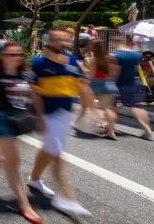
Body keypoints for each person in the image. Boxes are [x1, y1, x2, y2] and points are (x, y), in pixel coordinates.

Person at [0, 42, 43, 224]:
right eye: (10, 54)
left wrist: (41, 119)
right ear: (2, 57)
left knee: (4, 154)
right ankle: (24, 204)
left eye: (18, 54)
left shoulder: (27, 75)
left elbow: (35, 98)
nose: (15, 58)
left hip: (21, 119)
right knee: (14, 162)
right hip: (2, 119)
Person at [26, 28, 92, 217]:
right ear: (49, 41)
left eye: (66, 40)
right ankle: (67, 199)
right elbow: (35, 93)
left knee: (49, 151)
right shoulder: (38, 63)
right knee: (56, 153)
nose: (64, 43)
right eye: (59, 40)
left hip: (65, 114)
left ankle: (34, 179)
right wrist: (39, 117)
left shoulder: (72, 61)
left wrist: (96, 112)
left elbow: (82, 88)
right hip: (47, 115)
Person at [112, 38, 154, 140]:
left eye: (114, 43)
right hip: (132, 84)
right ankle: (147, 130)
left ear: (117, 43)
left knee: (111, 106)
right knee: (137, 107)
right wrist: (139, 46)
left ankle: (110, 128)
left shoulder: (117, 56)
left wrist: (112, 83)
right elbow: (145, 56)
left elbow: (116, 72)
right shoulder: (135, 55)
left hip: (120, 84)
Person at [82, 40, 118, 139]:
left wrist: (83, 68)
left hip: (96, 83)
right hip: (109, 83)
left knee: (89, 104)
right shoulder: (111, 59)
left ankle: (98, 121)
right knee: (108, 108)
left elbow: (91, 75)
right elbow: (112, 73)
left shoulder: (94, 60)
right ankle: (111, 131)